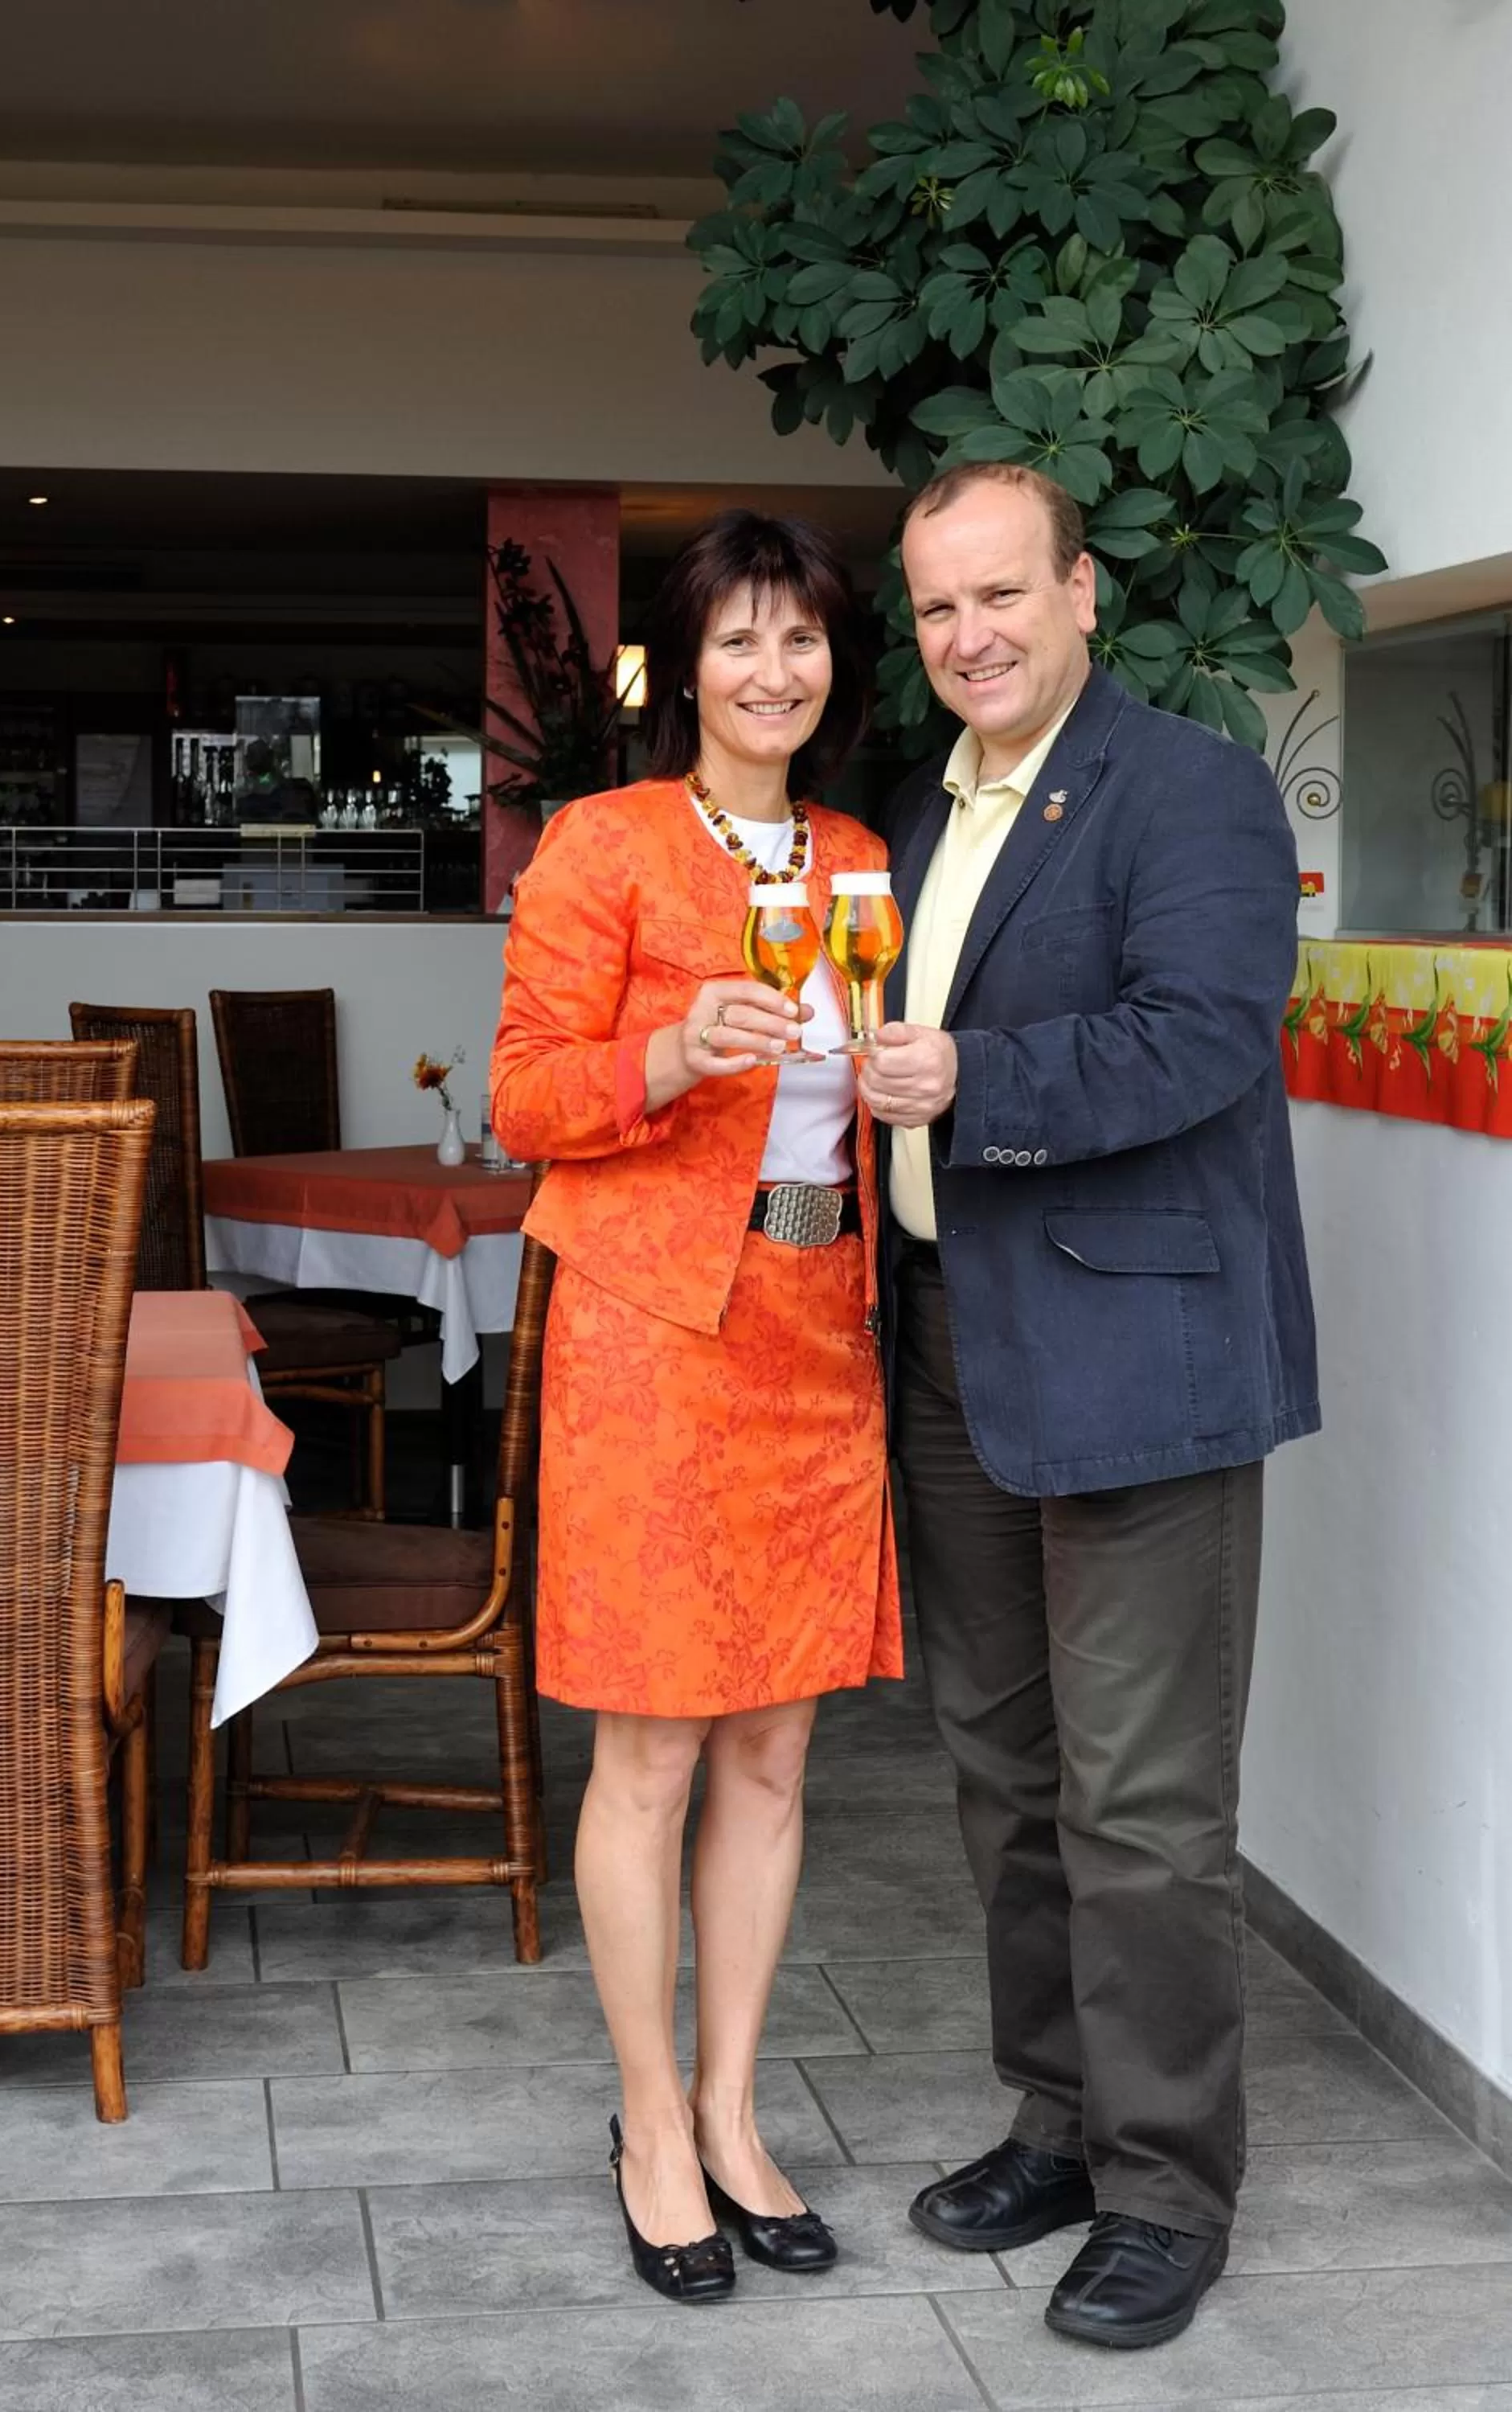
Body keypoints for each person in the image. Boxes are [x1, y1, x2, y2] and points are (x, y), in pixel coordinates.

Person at [858, 461, 1317, 2351]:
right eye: (940, 607)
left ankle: (1164, 2189)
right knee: (1006, 1776)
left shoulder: (1190, 784)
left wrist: (970, 1067)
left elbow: (1205, 1032)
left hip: (1138, 1364)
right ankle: (1057, 2119)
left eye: (1002, 594)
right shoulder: (920, 816)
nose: (972, 633)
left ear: (1084, 594)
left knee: (1144, 1803)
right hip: (954, 1346)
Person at [491, 511, 902, 2304]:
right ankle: (650, 2121)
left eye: (800, 641)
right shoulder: (605, 846)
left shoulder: (868, 852)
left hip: (820, 1331)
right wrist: (666, 1055)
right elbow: (522, 1099)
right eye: (738, 642)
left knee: (775, 1748)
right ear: (686, 667)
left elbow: (870, 1087)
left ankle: (738, 2111)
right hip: (655, 1330)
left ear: (832, 665)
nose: (772, 672)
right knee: (651, 1745)